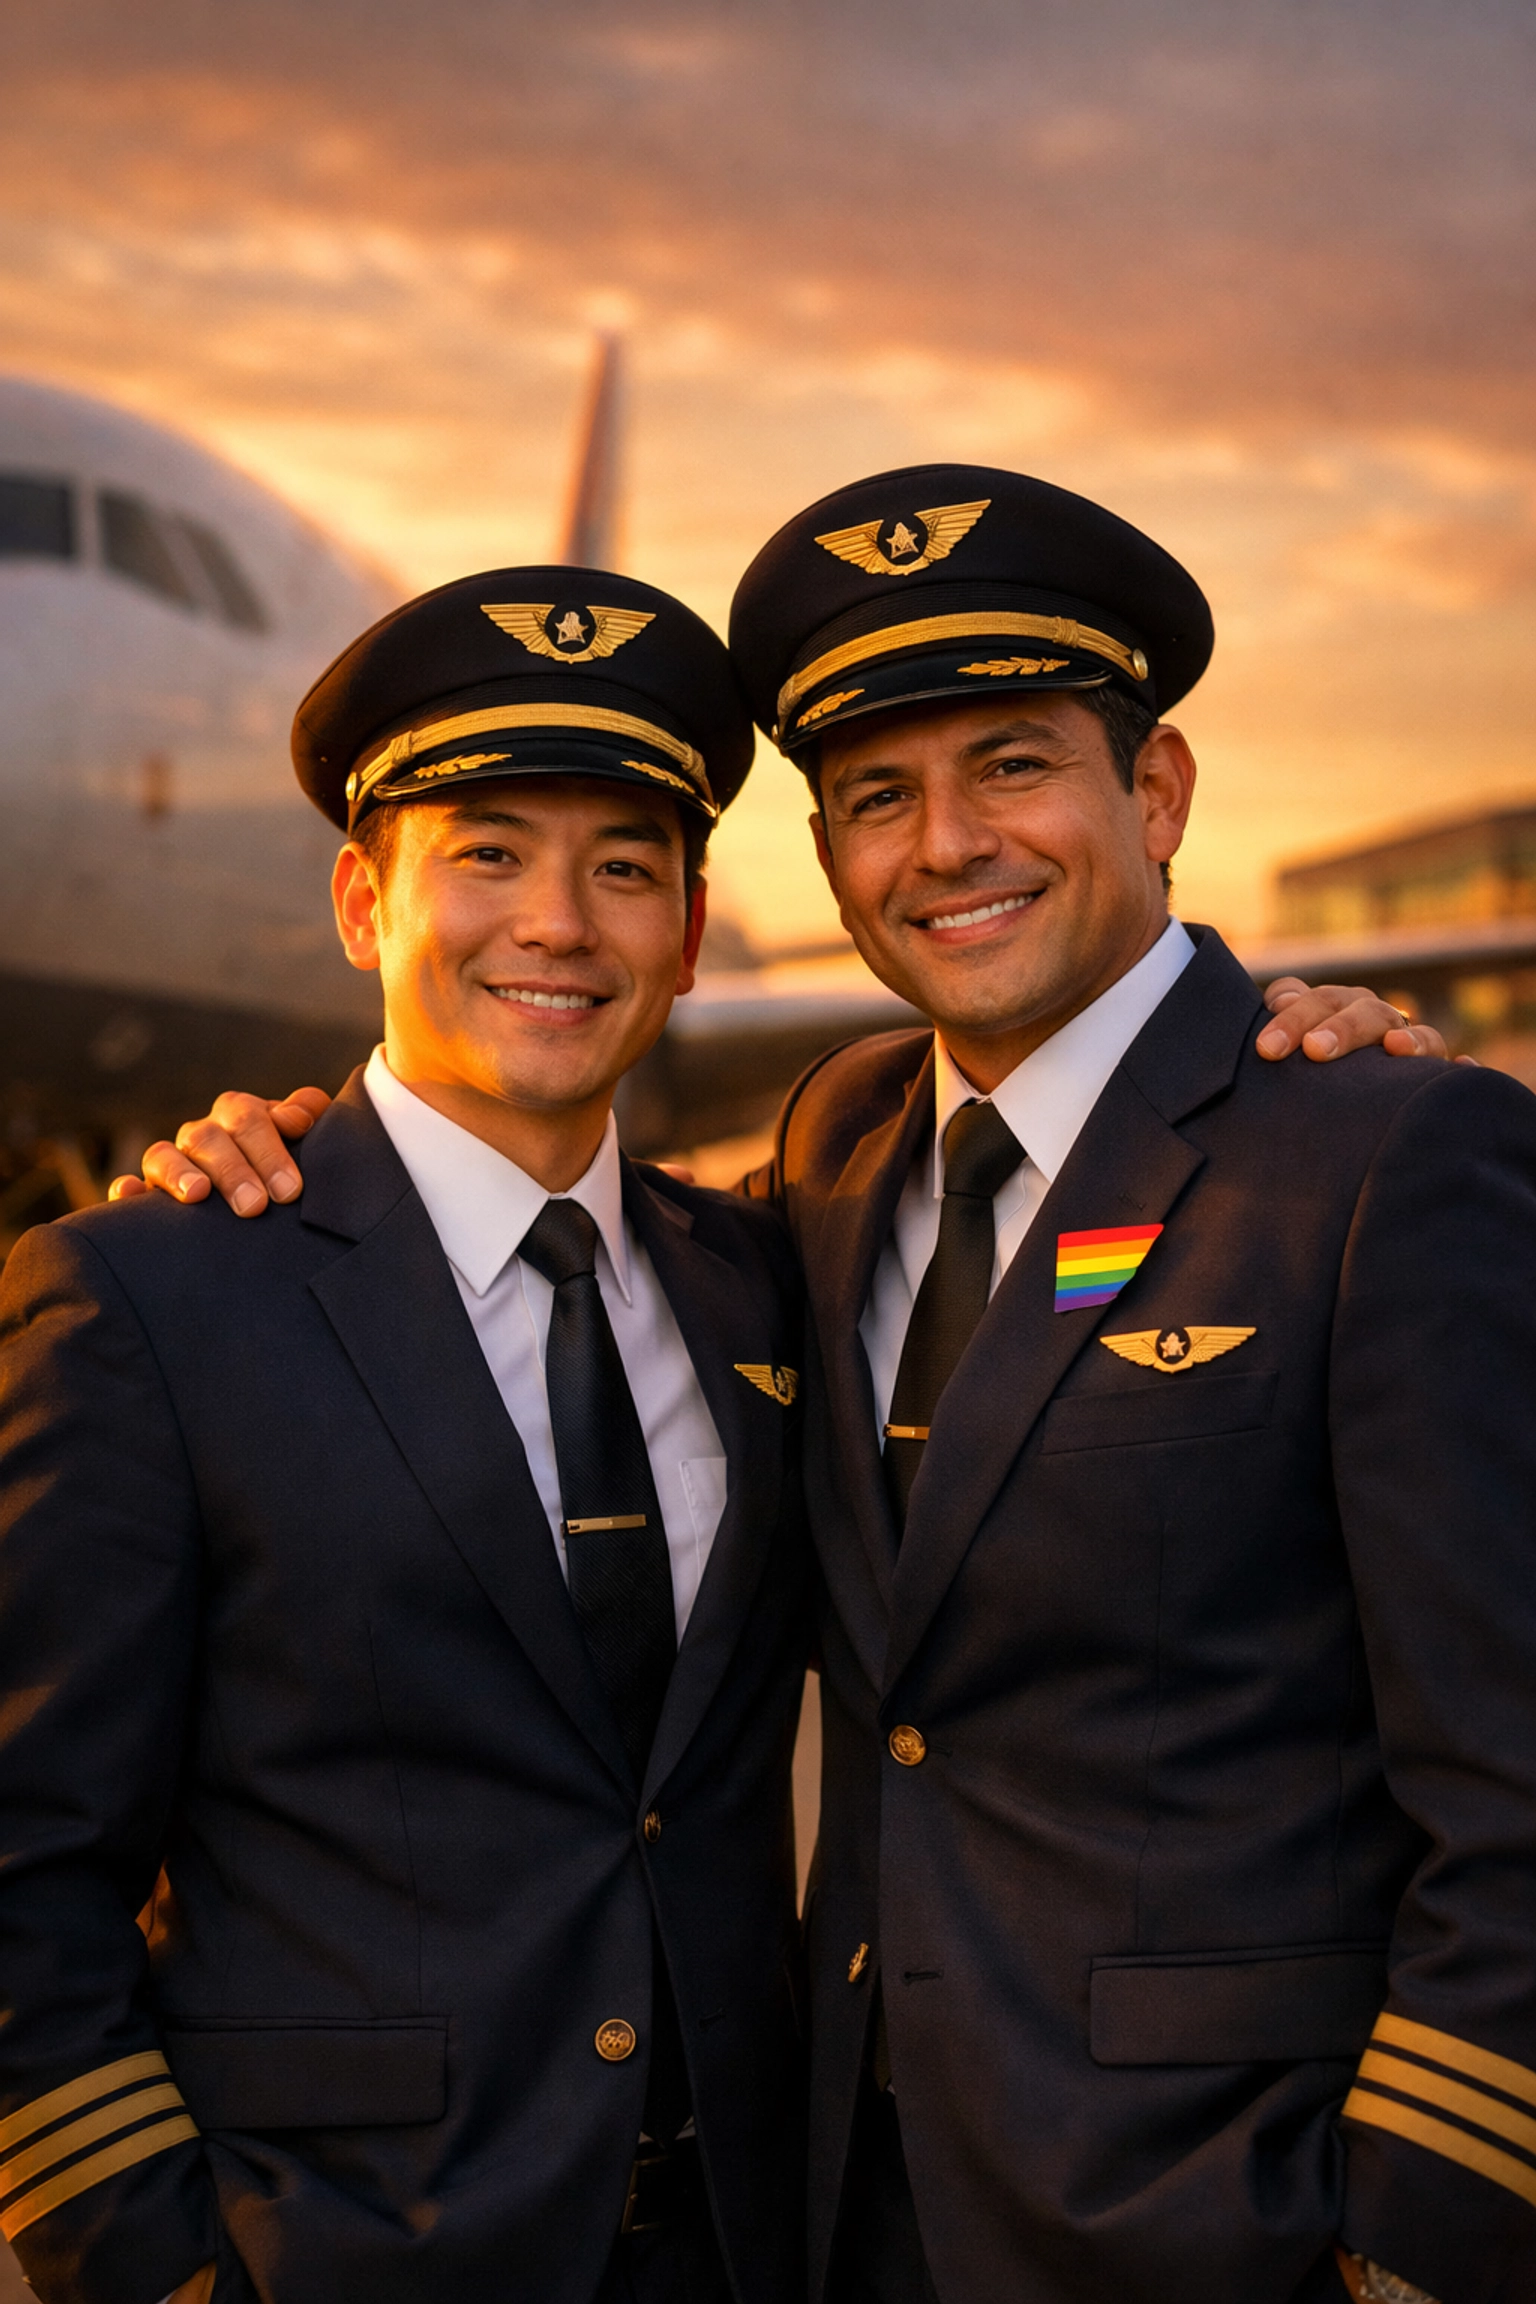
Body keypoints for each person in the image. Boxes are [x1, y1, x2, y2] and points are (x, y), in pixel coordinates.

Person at [119, 472, 1516, 2304]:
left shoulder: (1377, 1160)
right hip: (835, 2217)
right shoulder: (836, 1168)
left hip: (1227, 2230)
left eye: (1012, 765)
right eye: (873, 798)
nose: (944, 847)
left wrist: (1417, 2250)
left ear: (1156, 794)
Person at [0, 571, 812, 2304]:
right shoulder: (151, 1299)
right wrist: (157, 2272)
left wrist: (1300, 1062)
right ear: (366, 901)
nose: (561, 924)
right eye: (490, 854)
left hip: (749, 2250)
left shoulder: (761, 1288)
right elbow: (25, 1874)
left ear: (684, 924)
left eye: (624, 867)